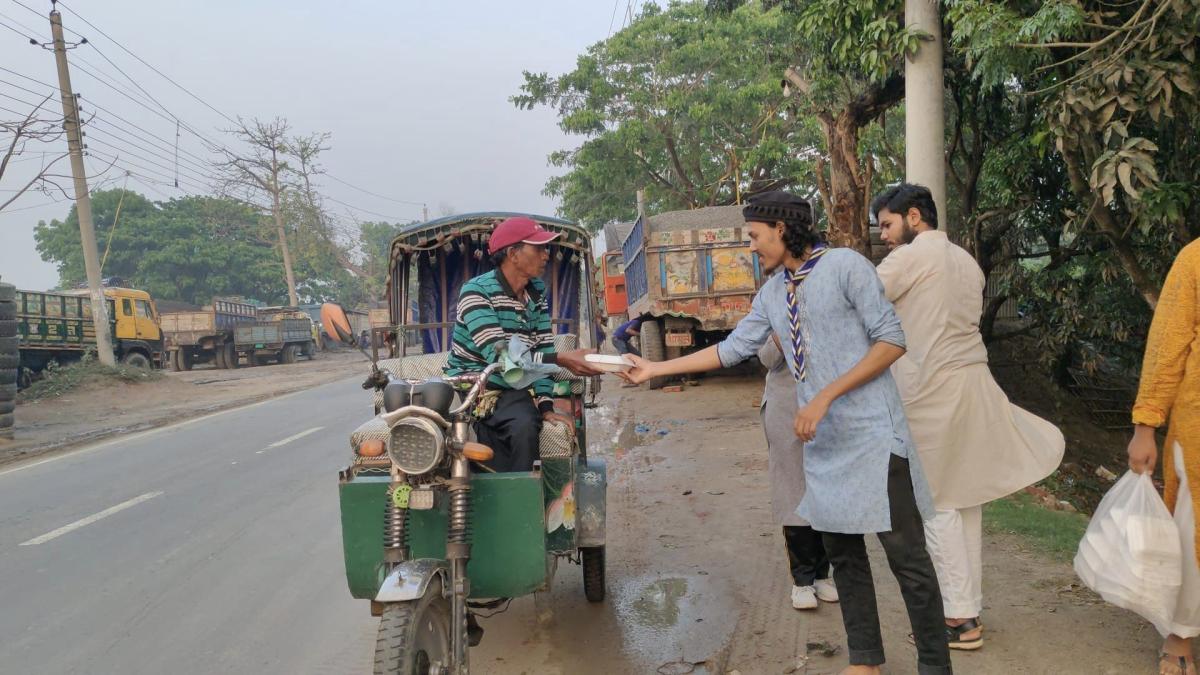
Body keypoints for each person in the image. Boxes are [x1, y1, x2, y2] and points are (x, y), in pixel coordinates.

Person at [622, 191, 950, 675]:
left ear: (781, 228)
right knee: (844, 555)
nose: (751, 246)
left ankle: (936, 666)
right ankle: (865, 660)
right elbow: (732, 349)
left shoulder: (845, 266)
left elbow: (891, 340)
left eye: (755, 235)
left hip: (875, 435)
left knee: (907, 558)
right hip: (824, 445)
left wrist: (823, 397)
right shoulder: (774, 293)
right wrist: (653, 369)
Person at [872, 183, 1064, 650]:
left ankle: (958, 618)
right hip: (974, 388)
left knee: (936, 504)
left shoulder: (909, 258)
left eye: (888, 224)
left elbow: (863, 301)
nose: (884, 236)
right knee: (965, 500)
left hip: (930, 395)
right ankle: (966, 611)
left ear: (913, 217)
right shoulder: (966, 262)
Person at [444, 216, 602, 472]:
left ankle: (519, 494)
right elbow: (502, 357)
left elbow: (543, 347)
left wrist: (546, 406)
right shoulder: (476, 292)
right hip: (468, 390)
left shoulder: (536, 292)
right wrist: (561, 359)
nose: (546, 255)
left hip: (509, 389)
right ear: (513, 254)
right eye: (538, 248)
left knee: (526, 427)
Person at [1127, 238, 1200, 675]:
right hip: (1198, 430)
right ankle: (1180, 632)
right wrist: (1145, 426)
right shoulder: (1195, 259)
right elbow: (1167, 345)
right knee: (1192, 531)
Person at [758, 332, 837, 610]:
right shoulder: (774, 309)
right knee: (793, 492)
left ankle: (822, 575)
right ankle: (802, 580)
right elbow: (767, 358)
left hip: (828, 408)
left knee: (826, 492)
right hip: (786, 409)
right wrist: (782, 332)